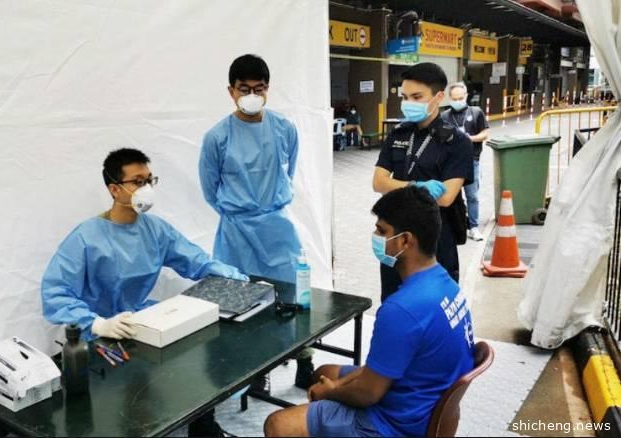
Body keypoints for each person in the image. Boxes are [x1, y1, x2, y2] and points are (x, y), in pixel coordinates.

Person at [263, 186, 475, 437]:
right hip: (422, 398)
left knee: (277, 424)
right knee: (322, 373)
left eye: (382, 231)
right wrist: (333, 385)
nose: (375, 236)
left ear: (405, 241)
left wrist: (330, 392)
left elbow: (368, 394)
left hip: (396, 424)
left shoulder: (401, 310)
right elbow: (382, 368)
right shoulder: (447, 284)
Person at [41, 148, 248, 340]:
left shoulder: (155, 229)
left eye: (149, 180)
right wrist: (97, 324)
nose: (147, 188)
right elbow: (55, 293)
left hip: (143, 322)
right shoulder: (86, 237)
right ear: (115, 189)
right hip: (101, 334)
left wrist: (225, 273)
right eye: (138, 182)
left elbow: (194, 260)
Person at [198, 54, 313, 393]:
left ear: (268, 89)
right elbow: (210, 189)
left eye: (259, 89)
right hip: (236, 231)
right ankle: (254, 371)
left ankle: (303, 359)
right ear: (231, 91)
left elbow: (288, 172)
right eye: (244, 89)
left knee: (292, 296)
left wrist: (267, 205)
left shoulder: (284, 129)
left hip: (277, 228)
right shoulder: (217, 137)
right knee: (239, 301)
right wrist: (241, 210)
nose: (252, 95)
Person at [372, 62, 473, 301]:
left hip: (434, 239)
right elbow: (378, 182)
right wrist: (415, 186)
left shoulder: (457, 142)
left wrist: (396, 186)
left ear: (438, 97)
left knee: (436, 302)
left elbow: (446, 197)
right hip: (396, 237)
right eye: (405, 97)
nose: (409, 103)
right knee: (393, 299)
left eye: (417, 97)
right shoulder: (398, 134)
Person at [442, 82, 490, 241]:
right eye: (454, 99)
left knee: (472, 195)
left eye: (460, 98)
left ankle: (474, 227)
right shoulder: (445, 116)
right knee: (452, 196)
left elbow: (485, 133)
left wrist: (470, 139)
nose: (457, 101)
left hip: (471, 161)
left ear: (466, 96)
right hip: (450, 163)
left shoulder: (476, 112)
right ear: (450, 98)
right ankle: (457, 225)